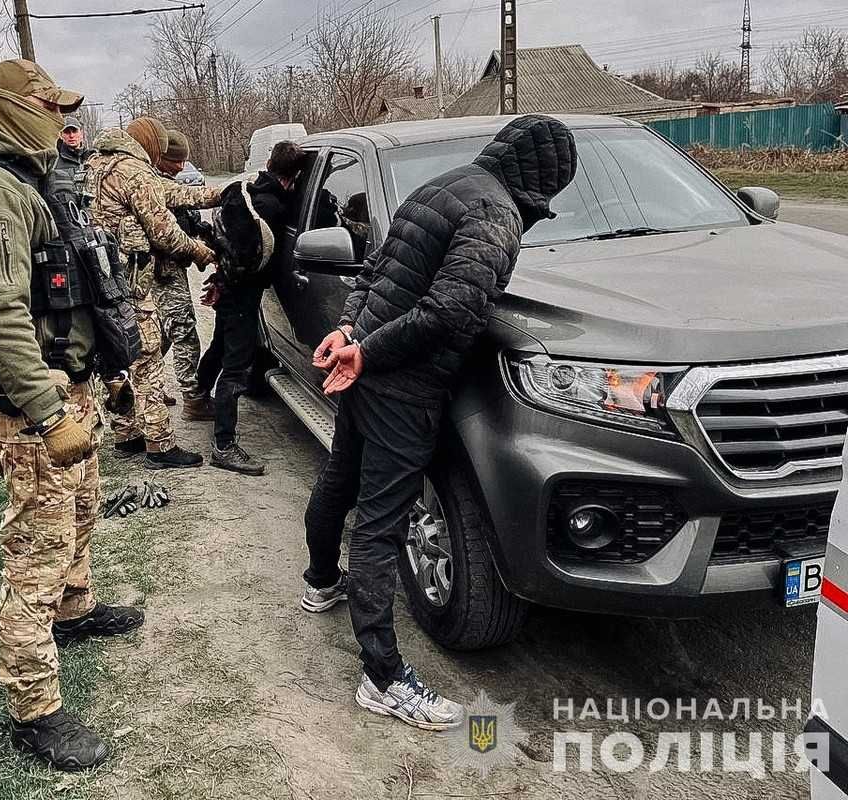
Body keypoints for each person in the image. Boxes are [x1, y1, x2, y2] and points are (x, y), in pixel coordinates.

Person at [300, 115, 577, 730]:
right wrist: (365, 351)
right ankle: (383, 678)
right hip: (402, 386)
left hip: (367, 372)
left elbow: (375, 273)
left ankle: (320, 581)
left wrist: (349, 330)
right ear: (545, 183)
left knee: (340, 480)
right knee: (380, 525)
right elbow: (451, 310)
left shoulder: (441, 187)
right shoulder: (495, 216)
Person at [0, 59, 147, 770]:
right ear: (6, 107)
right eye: (49, 107)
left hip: (71, 388)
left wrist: (103, 378)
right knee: (36, 554)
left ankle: (74, 610)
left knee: (81, 515)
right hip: (35, 406)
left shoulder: (33, 180)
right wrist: (50, 415)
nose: (60, 121)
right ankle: (35, 711)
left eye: (63, 109)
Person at [85, 117, 218, 469]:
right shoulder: (134, 171)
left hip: (96, 285)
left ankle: (126, 434)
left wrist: (215, 194)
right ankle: (160, 445)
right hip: (130, 286)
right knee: (147, 360)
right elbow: (165, 233)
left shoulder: (95, 166)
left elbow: (169, 192)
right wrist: (200, 252)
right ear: (151, 146)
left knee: (115, 360)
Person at [198, 140, 304, 476]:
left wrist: (220, 280)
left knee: (220, 344)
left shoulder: (249, 191)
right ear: (292, 177)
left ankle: (198, 396)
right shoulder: (274, 206)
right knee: (236, 368)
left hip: (230, 284)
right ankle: (224, 445)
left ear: (269, 164)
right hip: (243, 294)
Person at [153, 130, 220, 421]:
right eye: (175, 161)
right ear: (160, 158)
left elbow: (187, 217)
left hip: (167, 269)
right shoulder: (153, 185)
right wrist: (199, 251)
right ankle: (193, 400)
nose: (181, 167)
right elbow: (171, 229)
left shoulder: (162, 180)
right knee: (183, 332)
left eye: (184, 162)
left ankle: (150, 388)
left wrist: (202, 232)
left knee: (160, 334)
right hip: (163, 271)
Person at [48, 116, 91, 195]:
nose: (71, 136)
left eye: (74, 131)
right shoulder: (53, 160)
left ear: (81, 134)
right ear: (60, 135)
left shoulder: (92, 158)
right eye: (67, 132)